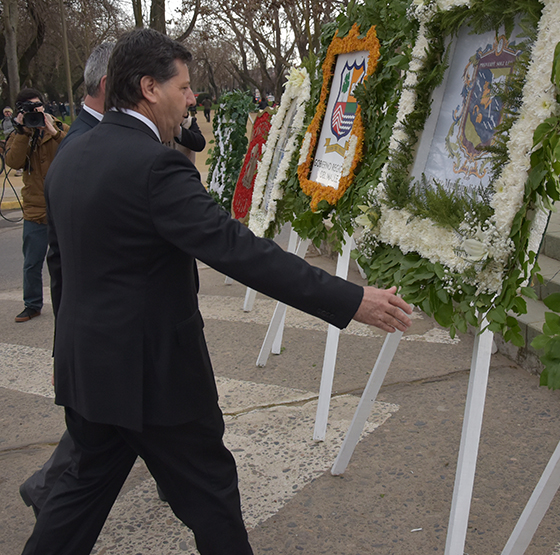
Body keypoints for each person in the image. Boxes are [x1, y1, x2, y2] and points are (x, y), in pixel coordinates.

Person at [21, 28, 411, 555]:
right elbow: (240, 251)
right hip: (156, 381)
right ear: (148, 88)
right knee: (213, 501)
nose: (191, 99)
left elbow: (62, 268)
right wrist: (351, 300)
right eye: (183, 87)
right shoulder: (157, 166)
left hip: (88, 370)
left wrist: (71, 346)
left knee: (73, 505)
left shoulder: (72, 154)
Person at [17, 42, 114, 518]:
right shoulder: (82, 143)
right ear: (106, 86)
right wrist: (64, 345)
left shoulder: (89, 138)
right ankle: (46, 490)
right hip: (99, 329)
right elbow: (64, 263)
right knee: (94, 439)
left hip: (101, 329)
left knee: (98, 435)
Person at [4, 88, 69, 323]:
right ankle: (32, 304)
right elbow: (13, 161)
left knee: (64, 262)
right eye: (30, 107)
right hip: (34, 209)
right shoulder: (20, 134)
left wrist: (52, 130)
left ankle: (68, 303)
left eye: (38, 105)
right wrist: (23, 131)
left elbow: (76, 150)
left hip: (61, 207)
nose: (36, 110)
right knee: (31, 263)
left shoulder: (59, 128)